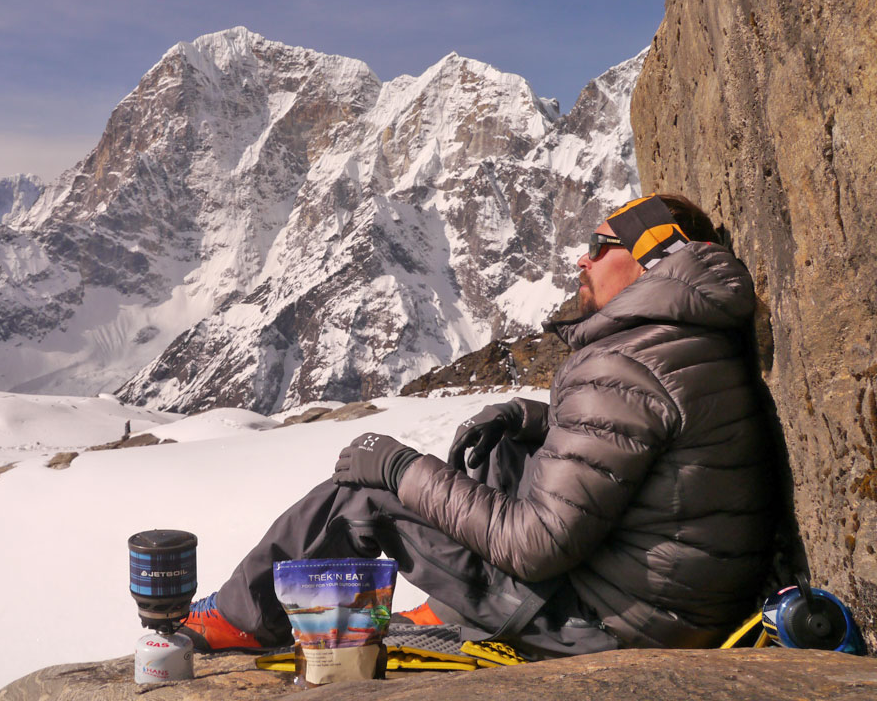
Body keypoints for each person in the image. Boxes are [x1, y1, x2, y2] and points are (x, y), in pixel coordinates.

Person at [181, 194, 773, 656]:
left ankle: (238, 618)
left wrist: (399, 467)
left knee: (362, 497)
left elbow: (535, 545)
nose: (581, 259)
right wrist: (536, 420)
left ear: (653, 256)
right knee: (506, 453)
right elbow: (648, 441)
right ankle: (453, 607)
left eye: (599, 244)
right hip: (674, 602)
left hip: (607, 624)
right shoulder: (687, 337)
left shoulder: (624, 362)